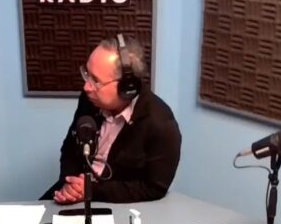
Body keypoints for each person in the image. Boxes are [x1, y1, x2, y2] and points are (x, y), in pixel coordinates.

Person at [43, 35, 181, 204]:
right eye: (87, 74)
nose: (86, 87)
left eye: (95, 80)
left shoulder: (160, 125)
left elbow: (153, 187)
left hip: (116, 204)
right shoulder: (90, 100)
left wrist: (91, 190)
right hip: (73, 193)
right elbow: (70, 149)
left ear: (127, 88)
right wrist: (70, 184)